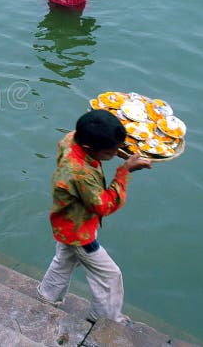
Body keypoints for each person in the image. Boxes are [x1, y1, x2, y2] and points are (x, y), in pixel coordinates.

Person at [37, 110, 152, 323]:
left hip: (65, 222)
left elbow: (94, 139)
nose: (115, 154)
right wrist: (125, 171)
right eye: (112, 152)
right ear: (91, 149)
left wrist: (117, 150)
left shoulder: (71, 139)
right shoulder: (81, 174)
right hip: (80, 232)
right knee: (110, 276)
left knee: (64, 261)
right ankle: (104, 321)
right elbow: (105, 205)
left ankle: (46, 297)